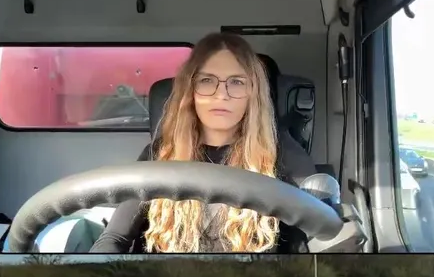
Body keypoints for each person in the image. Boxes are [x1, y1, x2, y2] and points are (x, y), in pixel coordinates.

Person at [90, 32, 318, 254]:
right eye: (207, 80)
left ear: (253, 93)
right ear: (190, 91)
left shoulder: (283, 157)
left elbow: (317, 238)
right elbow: (114, 238)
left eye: (236, 82)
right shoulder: (159, 155)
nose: (221, 94)